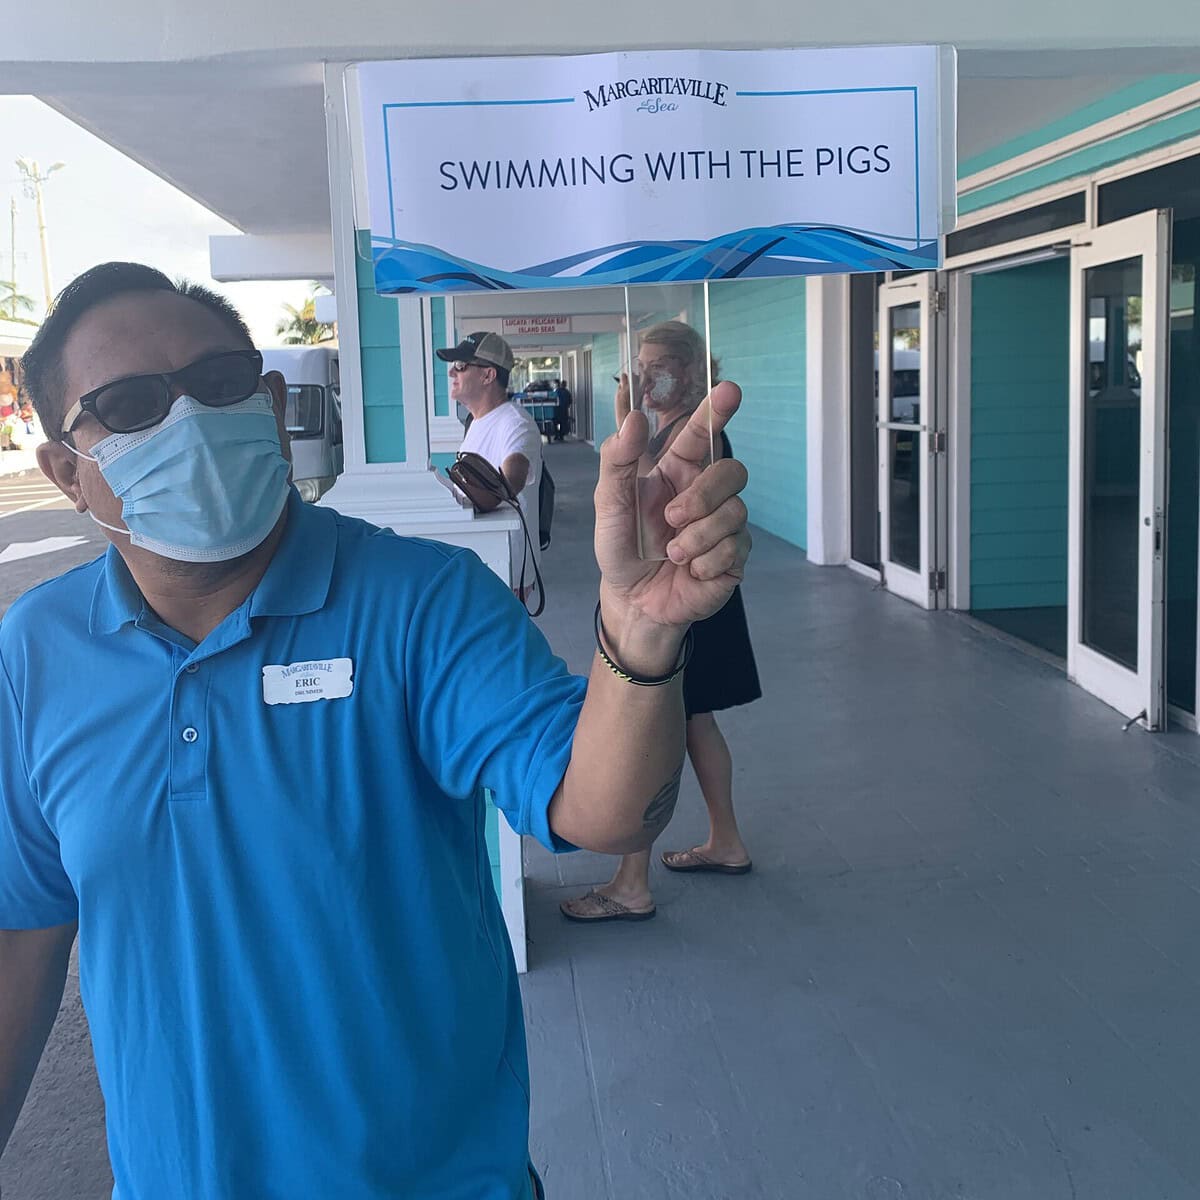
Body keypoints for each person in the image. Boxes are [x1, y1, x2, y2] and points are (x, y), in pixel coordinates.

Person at [0, 264, 750, 1199]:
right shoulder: (36, 651)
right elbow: (23, 930)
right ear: (67, 473)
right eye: (133, 403)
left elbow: (605, 811)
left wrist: (640, 637)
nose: (189, 419)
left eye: (221, 382)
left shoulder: (423, 602)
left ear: (273, 405)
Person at [562, 320, 762, 923]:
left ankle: (631, 881)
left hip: (690, 596)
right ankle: (725, 839)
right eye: (642, 364)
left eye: (664, 364)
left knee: (660, 726)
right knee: (695, 722)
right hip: (678, 594)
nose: (649, 374)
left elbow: (665, 498)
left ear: (696, 370)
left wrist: (634, 422)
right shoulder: (665, 426)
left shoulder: (700, 434)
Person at [439, 331, 543, 600]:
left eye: (461, 366)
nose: (452, 372)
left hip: (507, 566)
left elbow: (510, 482)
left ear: (488, 376)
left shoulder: (515, 423)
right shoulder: (475, 422)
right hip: (483, 561)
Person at [552, 378, 573, 442]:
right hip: (564, 410)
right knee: (562, 423)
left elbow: (553, 400)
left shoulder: (557, 391)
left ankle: (556, 435)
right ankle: (561, 436)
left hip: (557, 410)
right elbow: (570, 401)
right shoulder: (567, 392)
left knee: (555, 423)